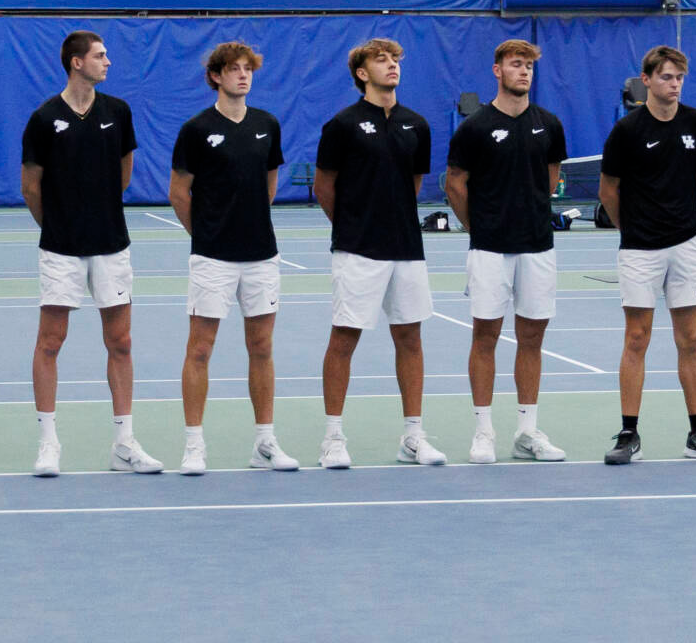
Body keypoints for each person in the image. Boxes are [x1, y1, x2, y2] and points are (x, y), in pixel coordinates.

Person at [22, 30, 159, 477]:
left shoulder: (118, 112)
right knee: (50, 342)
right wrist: (62, 225)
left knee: (120, 342)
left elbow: (123, 173)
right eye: (100, 56)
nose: (108, 62)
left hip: (111, 246)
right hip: (61, 249)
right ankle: (47, 443)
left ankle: (123, 443)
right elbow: (31, 186)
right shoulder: (44, 118)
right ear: (76, 63)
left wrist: (96, 215)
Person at [168, 42, 298, 475]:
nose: (243, 76)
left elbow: (269, 184)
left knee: (261, 347)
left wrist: (247, 224)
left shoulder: (267, 125)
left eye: (248, 69)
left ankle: (264, 442)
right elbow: (178, 192)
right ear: (215, 77)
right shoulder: (196, 129)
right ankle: (193, 445)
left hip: (261, 255)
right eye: (234, 69)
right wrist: (206, 235)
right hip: (212, 259)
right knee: (200, 349)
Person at [599, 45, 696, 464]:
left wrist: (678, 222)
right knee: (636, 338)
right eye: (666, 77)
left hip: (687, 245)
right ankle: (628, 433)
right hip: (639, 249)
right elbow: (608, 190)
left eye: (679, 78)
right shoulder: (627, 131)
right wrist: (634, 229)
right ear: (647, 80)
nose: (673, 84)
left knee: (690, 339)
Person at [316, 37, 442, 470]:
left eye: (395, 60)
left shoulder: (417, 125)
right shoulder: (342, 125)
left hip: (406, 248)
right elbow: (323, 187)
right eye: (381, 60)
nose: (391, 66)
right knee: (344, 338)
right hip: (357, 250)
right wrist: (354, 226)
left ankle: (413, 436)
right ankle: (333, 438)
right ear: (361, 73)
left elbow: (413, 185)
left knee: (410, 338)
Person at [444, 38, 570, 465]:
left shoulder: (549, 124)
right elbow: (454, 184)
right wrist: (479, 226)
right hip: (490, 249)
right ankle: (483, 432)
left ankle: (527, 432)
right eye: (517, 65)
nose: (525, 72)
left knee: (532, 338)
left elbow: (550, 179)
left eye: (530, 66)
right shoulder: (474, 127)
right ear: (497, 70)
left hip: (537, 245)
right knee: (486, 337)